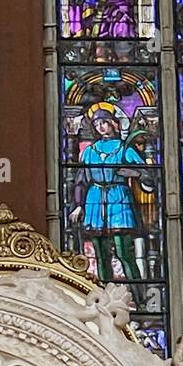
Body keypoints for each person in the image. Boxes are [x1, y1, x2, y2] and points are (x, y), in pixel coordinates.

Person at [69, 102, 150, 300]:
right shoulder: (90, 152)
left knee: (125, 252)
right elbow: (81, 180)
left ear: (114, 124)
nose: (101, 128)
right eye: (97, 125)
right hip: (95, 200)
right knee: (100, 254)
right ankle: (104, 299)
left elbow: (147, 174)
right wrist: (78, 205)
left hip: (119, 199)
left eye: (104, 123)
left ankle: (139, 299)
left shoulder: (125, 149)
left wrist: (131, 172)